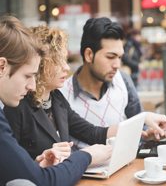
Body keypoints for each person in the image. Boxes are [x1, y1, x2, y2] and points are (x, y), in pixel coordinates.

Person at [0, 16, 112, 186]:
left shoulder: (57, 98)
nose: (32, 85)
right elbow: (37, 180)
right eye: (28, 75)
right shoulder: (13, 108)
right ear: (2, 66)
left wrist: (35, 166)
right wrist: (87, 156)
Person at [60, 17, 166, 148]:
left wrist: (150, 134)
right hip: (85, 168)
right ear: (89, 55)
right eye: (110, 57)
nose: (117, 65)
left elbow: (141, 126)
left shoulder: (122, 80)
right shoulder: (62, 94)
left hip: (126, 165)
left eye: (120, 57)